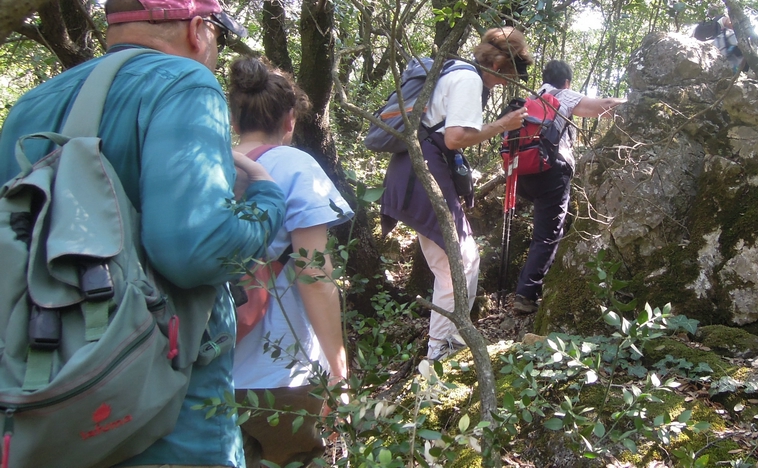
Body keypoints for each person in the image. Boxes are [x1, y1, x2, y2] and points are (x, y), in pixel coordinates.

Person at [0, 0, 287, 468]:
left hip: (46, 382)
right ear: (199, 30)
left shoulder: (32, 104)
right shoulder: (185, 82)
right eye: (218, 35)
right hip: (159, 390)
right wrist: (265, 197)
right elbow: (195, 253)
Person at [228, 57, 354, 467]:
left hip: (207, 369)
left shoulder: (203, 165)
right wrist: (338, 373)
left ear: (235, 116)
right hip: (283, 374)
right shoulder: (296, 166)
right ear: (290, 119)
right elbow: (315, 277)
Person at [380, 27, 533, 361]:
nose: (508, 82)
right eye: (510, 74)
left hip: (412, 170)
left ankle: (445, 343)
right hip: (424, 174)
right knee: (461, 263)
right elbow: (454, 138)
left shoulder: (457, 71)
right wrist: (503, 125)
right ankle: (440, 350)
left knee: (449, 264)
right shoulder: (468, 79)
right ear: (499, 63)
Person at [511, 60, 626, 314]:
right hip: (551, 172)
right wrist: (631, 102)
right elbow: (603, 107)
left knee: (541, 231)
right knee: (547, 235)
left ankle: (528, 285)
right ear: (566, 82)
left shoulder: (533, 98)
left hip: (523, 174)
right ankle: (526, 294)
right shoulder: (563, 95)